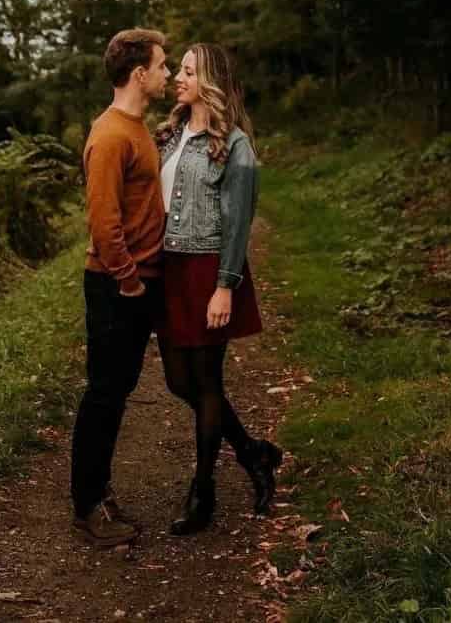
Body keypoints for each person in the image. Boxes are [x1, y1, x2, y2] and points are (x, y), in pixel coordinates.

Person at [154, 43, 283, 535]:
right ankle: (252, 452)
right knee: (177, 381)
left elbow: (238, 224)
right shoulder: (169, 135)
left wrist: (225, 286)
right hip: (169, 271)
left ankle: (202, 490)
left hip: (209, 270)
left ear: (209, 81)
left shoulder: (235, 146)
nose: (178, 79)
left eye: (187, 71)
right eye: (179, 70)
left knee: (207, 382)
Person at [69, 27, 171, 547]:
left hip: (136, 285)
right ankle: (87, 507)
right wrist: (130, 281)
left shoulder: (136, 128)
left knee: (117, 391)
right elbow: (103, 222)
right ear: (139, 74)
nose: (168, 74)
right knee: (104, 395)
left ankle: (97, 491)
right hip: (115, 287)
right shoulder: (110, 136)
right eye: (161, 65)